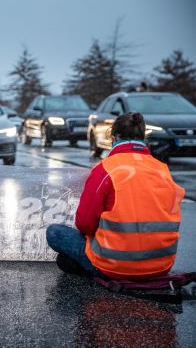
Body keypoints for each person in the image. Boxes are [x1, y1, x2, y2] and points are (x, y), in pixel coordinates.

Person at [46, 112, 184, 280]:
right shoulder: (162, 170)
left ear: (114, 137)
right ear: (144, 138)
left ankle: (97, 267)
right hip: (161, 265)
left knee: (54, 232)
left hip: (115, 265)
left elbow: (84, 225)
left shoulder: (105, 169)